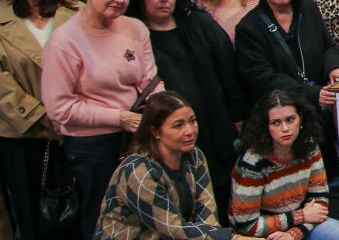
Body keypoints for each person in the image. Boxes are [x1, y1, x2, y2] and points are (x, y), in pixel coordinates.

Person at [40, 0, 161, 240]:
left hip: (136, 136)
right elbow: (60, 108)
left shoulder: (135, 28)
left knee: (143, 213)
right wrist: (118, 117)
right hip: (91, 146)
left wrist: (165, 112)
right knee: (101, 217)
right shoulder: (64, 41)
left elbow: (150, 82)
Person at [126, 0, 244, 220]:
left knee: (221, 195)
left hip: (214, 125)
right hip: (166, 136)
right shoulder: (132, 34)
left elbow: (229, 71)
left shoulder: (199, 22)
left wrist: (237, 115)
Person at [234, 0, 339, 177]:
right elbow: (261, 76)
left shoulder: (308, 9)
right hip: (277, 118)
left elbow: (328, 46)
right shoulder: (249, 27)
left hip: (314, 117)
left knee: (325, 177)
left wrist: (334, 66)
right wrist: (311, 92)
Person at [0, 0, 81, 240]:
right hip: (21, 133)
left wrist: (67, 114)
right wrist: (41, 116)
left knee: (79, 214)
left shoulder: (76, 12)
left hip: (74, 129)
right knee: (33, 215)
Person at [94, 92, 255, 240]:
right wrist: (233, 238)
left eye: (192, 121)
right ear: (155, 131)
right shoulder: (138, 171)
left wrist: (215, 235)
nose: (190, 131)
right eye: (178, 125)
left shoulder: (195, 155)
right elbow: (173, 228)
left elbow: (207, 210)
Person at [230, 90, 339, 239]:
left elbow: (320, 201)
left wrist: (294, 233)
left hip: (301, 224)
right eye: (276, 122)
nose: (285, 129)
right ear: (266, 126)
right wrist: (300, 216)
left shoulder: (309, 146)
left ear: (300, 118)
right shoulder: (252, 163)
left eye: (290, 119)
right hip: (261, 234)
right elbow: (246, 225)